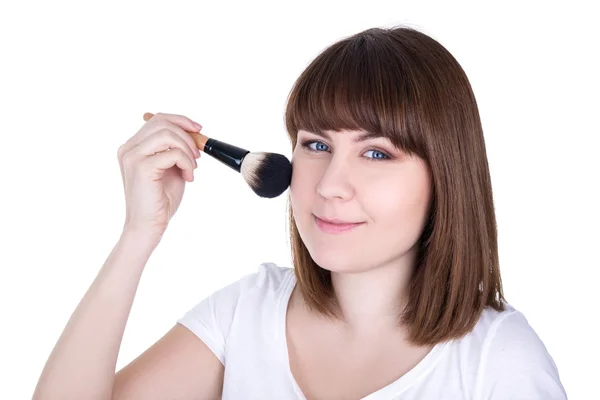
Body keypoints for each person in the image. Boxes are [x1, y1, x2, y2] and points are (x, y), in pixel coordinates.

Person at [33, 26, 567, 400]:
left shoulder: (499, 362)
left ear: (445, 176)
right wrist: (137, 236)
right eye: (315, 145)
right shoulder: (246, 313)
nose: (331, 185)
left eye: (377, 153)